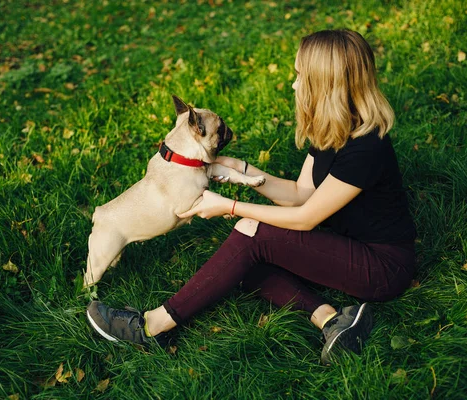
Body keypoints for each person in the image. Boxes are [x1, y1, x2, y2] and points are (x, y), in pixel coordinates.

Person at [86, 29, 417, 365]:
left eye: (300, 76)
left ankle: (153, 326)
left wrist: (228, 206)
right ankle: (332, 321)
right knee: (237, 266)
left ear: (325, 84)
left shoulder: (366, 148)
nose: (294, 84)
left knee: (249, 236)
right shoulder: (335, 128)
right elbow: (299, 195)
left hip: (382, 267)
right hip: (346, 244)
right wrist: (241, 170)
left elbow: (306, 217)